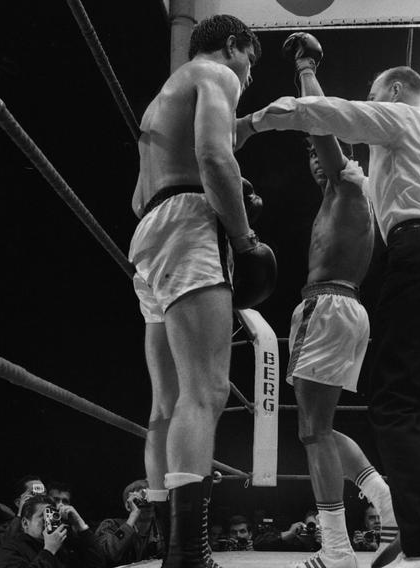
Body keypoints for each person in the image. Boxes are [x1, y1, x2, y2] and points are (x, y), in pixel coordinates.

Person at [238, 36, 420, 568]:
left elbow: (329, 121)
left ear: (396, 92)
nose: (374, 103)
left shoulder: (398, 125)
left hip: (411, 262)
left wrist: (253, 121)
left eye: (377, 95)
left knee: (388, 406)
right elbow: (326, 131)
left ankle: (416, 544)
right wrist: (308, 71)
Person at [127, 13, 273, 568]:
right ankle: (188, 555)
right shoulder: (217, 75)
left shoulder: (170, 92)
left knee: (166, 404)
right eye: (250, 61)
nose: (249, 77)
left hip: (149, 235)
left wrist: (247, 140)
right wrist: (245, 237)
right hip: (189, 227)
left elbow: (201, 153)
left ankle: (171, 545)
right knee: (206, 392)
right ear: (233, 45)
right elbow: (214, 156)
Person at [249, 32, 398, 568]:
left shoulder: (350, 183)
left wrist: (307, 69)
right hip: (342, 308)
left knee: (312, 432)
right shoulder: (352, 198)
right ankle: (382, 499)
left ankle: (337, 549)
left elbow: (320, 121)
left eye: (320, 153)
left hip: (329, 306)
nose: (314, 160)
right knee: (322, 427)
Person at [0, 495, 103, 568]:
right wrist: (48, 551)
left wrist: (81, 525)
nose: (49, 521)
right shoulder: (9, 549)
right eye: (43, 516)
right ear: (25, 523)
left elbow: (98, 564)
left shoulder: (64, 548)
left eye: (52, 516)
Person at [95, 479, 164, 565]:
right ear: (128, 504)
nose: (147, 503)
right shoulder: (111, 525)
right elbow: (107, 555)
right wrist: (133, 515)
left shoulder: (160, 528)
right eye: (139, 500)